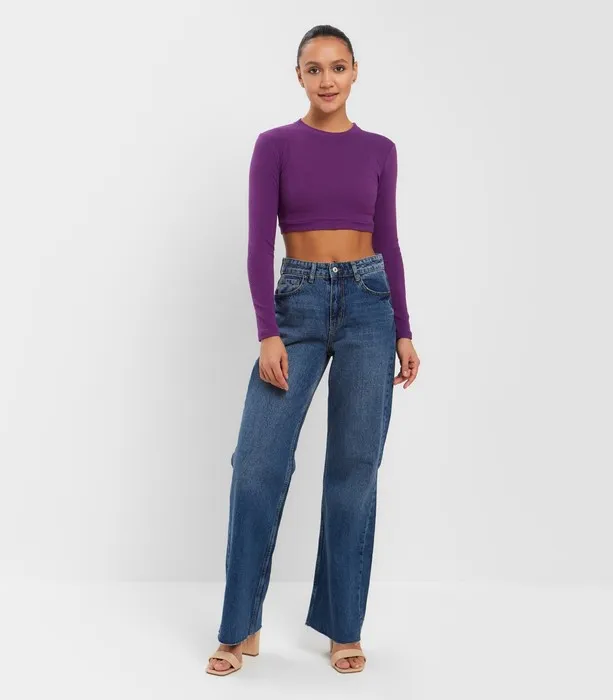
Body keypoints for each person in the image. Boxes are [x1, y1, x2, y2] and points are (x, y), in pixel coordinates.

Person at [206, 24, 421, 677]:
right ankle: (239, 627)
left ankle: (343, 628)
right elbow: (256, 244)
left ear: (355, 72)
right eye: (314, 68)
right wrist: (267, 330)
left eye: (338, 67)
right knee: (256, 465)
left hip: (369, 305)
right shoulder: (275, 145)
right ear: (298, 76)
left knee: (354, 469)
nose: (327, 80)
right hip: (296, 304)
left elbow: (388, 240)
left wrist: (404, 327)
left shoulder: (380, 150)